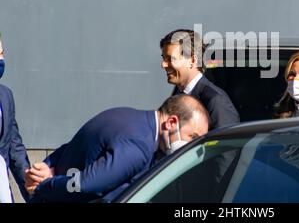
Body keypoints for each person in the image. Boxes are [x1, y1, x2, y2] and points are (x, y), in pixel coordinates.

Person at [24, 94, 209, 203]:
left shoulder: (126, 115)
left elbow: (78, 144)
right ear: (171, 122)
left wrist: (49, 165)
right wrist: (46, 184)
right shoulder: (139, 146)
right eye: (192, 137)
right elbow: (87, 185)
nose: (192, 145)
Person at [160, 29, 239, 130]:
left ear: (192, 61)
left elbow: (226, 143)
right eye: (163, 58)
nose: (163, 64)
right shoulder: (176, 97)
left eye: (171, 59)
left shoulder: (215, 101)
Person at [0, 34, 31, 203]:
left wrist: (33, 188)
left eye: (2, 52)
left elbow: (14, 148)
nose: (1, 59)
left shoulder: (5, 96)